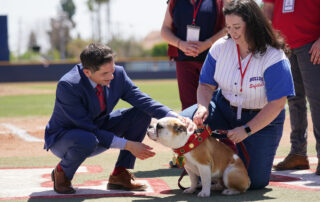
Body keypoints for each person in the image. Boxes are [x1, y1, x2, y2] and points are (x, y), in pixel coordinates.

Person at [44, 43, 193, 194]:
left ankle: (119, 175)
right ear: (87, 72)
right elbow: (88, 128)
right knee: (87, 139)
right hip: (65, 138)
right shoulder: (68, 86)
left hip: (98, 129)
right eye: (105, 74)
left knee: (141, 113)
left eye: (112, 70)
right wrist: (128, 145)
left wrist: (175, 116)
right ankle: (62, 173)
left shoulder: (118, 75)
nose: (111, 77)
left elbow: (143, 100)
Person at [180, 0, 295, 189]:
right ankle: (205, 169)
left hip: (261, 118)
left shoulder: (274, 56)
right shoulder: (219, 47)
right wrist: (202, 106)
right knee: (185, 121)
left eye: (237, 27)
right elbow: (206, 84)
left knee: (255, 182)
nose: (232, 33)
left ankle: (230, 157)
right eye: (228, 27)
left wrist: (247, 129)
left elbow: (277, 103)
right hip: (224, 107)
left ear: (253, 24)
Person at [263, 0, 320, 175]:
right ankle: (298, 153)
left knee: (317, 100)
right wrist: (267, 39)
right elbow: (268, 8)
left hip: (312, 45)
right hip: (284, 46)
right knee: (293, 100)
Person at [161, 0, 227, 110]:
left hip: (212, 59)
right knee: (188, 106)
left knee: (213, 104)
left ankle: (212, 128)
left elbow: (227, 28)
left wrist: (207, 44)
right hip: (184, 60)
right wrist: (180, 44)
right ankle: (194, 128)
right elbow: (164, 30)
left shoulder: (219, 2)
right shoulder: (175, 1)